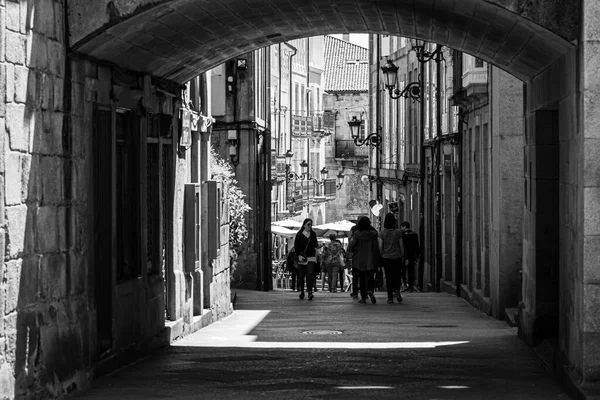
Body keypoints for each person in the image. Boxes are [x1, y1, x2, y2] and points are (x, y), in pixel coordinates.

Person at [347, 216, 381, 304]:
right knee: (370, 276)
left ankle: (363, 296)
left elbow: (351, 245)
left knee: (361, 278)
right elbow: (376, 246)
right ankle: (370, 290)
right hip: (370, 258)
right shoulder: (373, 234)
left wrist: (350, 250)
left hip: (359, 259)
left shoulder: (357, 234)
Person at [379, 213, 403, 304]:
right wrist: (402, 256)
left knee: (388, 277)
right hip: (397, 257)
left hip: (386, 257)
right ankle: (397, 290)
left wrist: (380, 256)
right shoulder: (398, 232)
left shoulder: (382, 233)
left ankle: (390, 297)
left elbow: (380, 246)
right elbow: (401, 245)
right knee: (397, 275)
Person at [294, 218, 320, 300]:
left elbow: (315, 244)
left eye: (311, 225)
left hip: (311, 257)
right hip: (302, 258)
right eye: (308, 224)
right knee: (301, 276)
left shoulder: (313, 234)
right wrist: (298, 255)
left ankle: (309, 292)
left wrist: (318, 246)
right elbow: (296, 247)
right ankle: (302, 291)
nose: (310, 226)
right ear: (304, 225)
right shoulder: (299, 235)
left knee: (310, 275)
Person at [400, 221, 420, 292]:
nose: (401, 228)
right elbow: (417, 246)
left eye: (402, 227)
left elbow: (402, 246)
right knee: (411, 271)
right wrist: (417, 255)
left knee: (403, 271)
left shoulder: (402, 235)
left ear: (405, 226)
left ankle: (404, 284)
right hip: (412, 255)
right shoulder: (414, 234)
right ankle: (410, 286)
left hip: (404, 255)